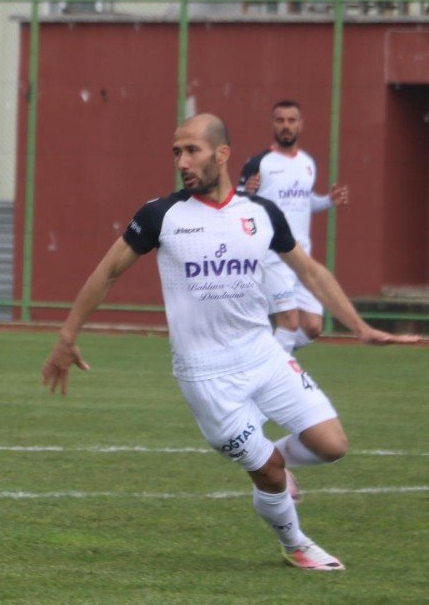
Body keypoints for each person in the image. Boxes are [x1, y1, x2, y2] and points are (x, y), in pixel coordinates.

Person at [41, 114, 419, 571]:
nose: (182, 161)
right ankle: (296, 544)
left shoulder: (260, 214)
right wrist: (66, 337)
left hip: (262, 355)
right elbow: (108, 273)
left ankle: (271, 457)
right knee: (270, 475)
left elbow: (311, 272)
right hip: (206, 376)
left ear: (222, 154)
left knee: (332, 444)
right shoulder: (161, 215)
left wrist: (361, 328)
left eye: (192, 151)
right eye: (176, 152)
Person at [237, 100, 349, 354]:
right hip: (272, 256)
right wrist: (244, 193)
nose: (286, 126)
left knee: (311, 326)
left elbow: (302, 202)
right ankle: (272, 380)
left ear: (300, 125)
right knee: (289, 322)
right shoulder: (258, 163)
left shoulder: (308, 163)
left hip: (302, 257)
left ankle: (261, 358)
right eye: (280, 120)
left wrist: (327, 201)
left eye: (291, 120)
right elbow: (236, 204)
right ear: (272, 124)